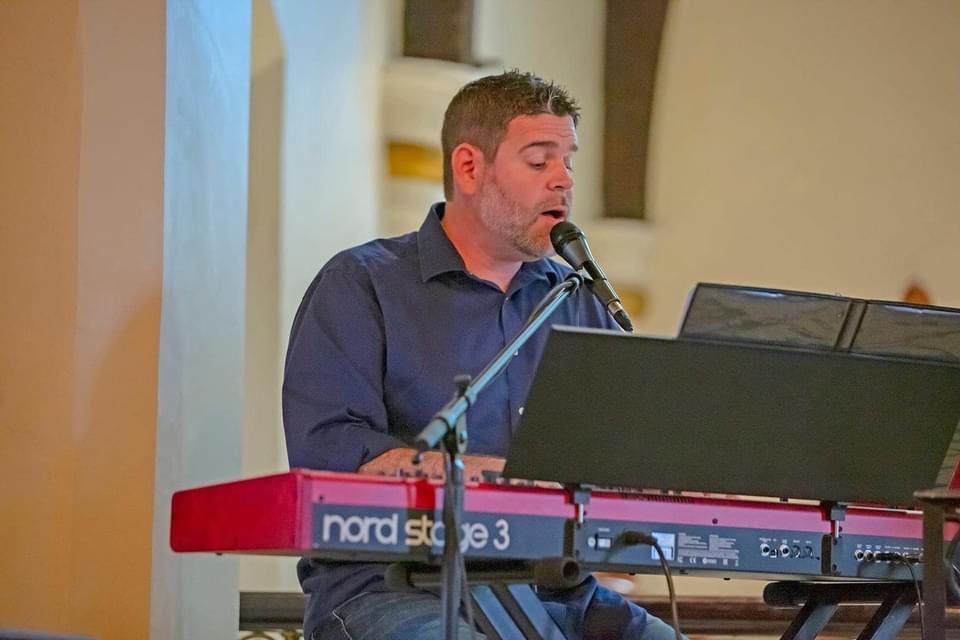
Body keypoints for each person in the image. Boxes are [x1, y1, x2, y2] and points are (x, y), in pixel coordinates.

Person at [283, 70, 682, 640]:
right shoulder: (361, 284)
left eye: (569, 161)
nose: (563, 180)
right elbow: (328, 449)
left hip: (557, 594)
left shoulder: (578, 299)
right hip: (395, 591)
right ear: (469, 167)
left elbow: (620, 453)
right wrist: (504, 478)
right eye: (539, 161)